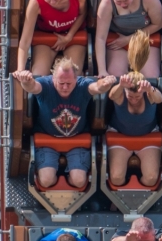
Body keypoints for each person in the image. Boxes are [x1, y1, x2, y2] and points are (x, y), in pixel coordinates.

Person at [13, 57, 116, 189]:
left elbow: (97, 87)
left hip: (76, 139)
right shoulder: (45, 85)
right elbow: (32, 87)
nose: (65, 87)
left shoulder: (82, 85)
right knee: (46, 180)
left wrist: (105, 84)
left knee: (79, 180)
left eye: (69, 83)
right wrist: (26, 81)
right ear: (53, 78)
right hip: (47, 140)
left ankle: (70, 181)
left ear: (76, 79)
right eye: (61, 83)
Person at [107, 29, 162, 187]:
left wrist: (149, 90)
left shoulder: (148, 93)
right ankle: (118, 204)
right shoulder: (121, 94)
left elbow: (158, 99)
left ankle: (142, 204)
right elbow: (112, 95)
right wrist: (120, 85)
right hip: (120, 135)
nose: (133, 99)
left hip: (148, 137)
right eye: (130, 96)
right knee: (117, 176)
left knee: (151, 177)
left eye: (137, 97)